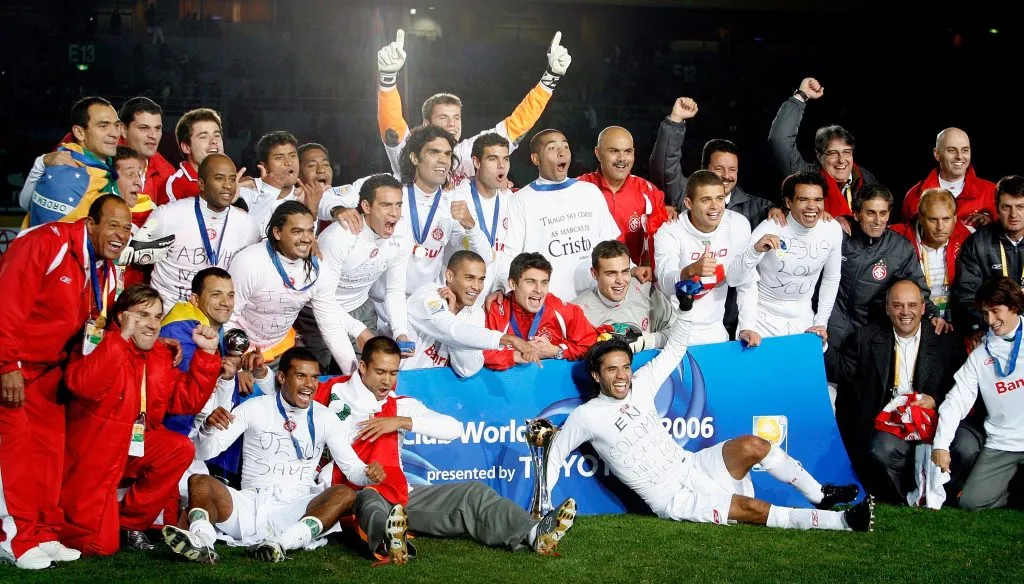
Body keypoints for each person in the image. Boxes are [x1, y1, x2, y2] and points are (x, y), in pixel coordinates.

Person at [546, 284, 874, 532]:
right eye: (611, 370)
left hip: (694, 465)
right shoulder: (587, 415)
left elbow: (676, 348)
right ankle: (843, 522)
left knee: (754, 445)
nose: (621, 376)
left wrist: (686, 309)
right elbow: (556, 455)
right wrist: (544, 505)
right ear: (595, 375)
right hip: (671, 496)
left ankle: (819, 494)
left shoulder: (640, 383)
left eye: (624, 367)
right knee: (752, 508)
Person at [315, 337, 576, 563]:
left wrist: (402, 422)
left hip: (398, 494)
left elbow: (454, 429)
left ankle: (535, 533)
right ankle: (389, 541)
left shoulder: (401, 406)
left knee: (473, 493)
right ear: (362, 367)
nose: (387, 381)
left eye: (393, 373)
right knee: (370, 498)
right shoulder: (331, 392)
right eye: (380, 372)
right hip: (347, 495)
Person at [0, 195, 129, 569]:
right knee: (15, 456)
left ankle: (42, 532)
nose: (121, 234)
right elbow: (7, 303)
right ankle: (12, 537)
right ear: (91, 223)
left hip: (50, 372)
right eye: (114, 225)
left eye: (127, 228)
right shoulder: (46, 243)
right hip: (17, 367)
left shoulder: (106, 268)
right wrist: (6, 363)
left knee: (49, 457)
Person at [161, 348, 383, 564]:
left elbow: (352, 469)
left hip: (296, 509)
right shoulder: (254, 407)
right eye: (301, 376)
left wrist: (368, 473)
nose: (309, 384)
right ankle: (201, 540)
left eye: (314, 377)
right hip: (249, 505)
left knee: (344, 493)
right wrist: (208, 428)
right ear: (282, 377)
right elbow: (205, 452)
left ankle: (282, 544)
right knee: (199, 481)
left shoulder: (326, 418)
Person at [59, 284, 222, 555]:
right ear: (121, 316)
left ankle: (129, 523)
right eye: (143, 315)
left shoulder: (158, 355)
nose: (152, 324)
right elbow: (84, 386)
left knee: (178, 448)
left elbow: (185, 401)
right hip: (92, 456)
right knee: (97, 545)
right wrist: (121, 340)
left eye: (158, 316)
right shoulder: (96, 342)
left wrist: (206, 355)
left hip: (131, 448)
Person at [827, 280, 979, 503]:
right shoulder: (865, 337)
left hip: (937, 419)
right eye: (897, 306)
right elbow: (841, 371)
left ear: (923, 308)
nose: (905, 312)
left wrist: (935, 399)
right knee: (881, 451)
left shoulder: (945, 339)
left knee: (967, 446)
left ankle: (943, 493)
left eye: (912, 305)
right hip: (890, 423)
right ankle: (903, 496)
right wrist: (823, 345)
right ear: (887, 308)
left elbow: (961, 386)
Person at [376, 29, 570, 185]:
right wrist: (387, 80)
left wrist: (550, 78)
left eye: (456, 117)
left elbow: (517, 126)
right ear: (426, 123)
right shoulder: (412, 152)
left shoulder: (469, 152)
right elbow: (392, 128)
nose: (452, 124)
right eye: (443, 117)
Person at [298, 174, 411, 373]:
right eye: (385, 205)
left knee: (369, 374)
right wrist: (357, 329)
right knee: (326, 376)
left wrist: (401, 332)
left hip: (361, 307)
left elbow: (394, 289)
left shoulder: (403, 233)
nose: (394, 213)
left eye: (398, 205)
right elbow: (322, 301)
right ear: (366, 207)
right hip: (319, 312)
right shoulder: (338, 238)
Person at [226, 202, 359, 370]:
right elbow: (226, 318)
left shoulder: (318, 270)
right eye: (297, 232)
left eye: (310, 231)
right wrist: (236, 365)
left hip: (282, 349)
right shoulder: (249, 262)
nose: (307, 238)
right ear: (277, 232)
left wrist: (353, 374)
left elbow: (330, 324)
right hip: (242, 353)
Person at [496, 129, 623, 300]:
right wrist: (500, 288)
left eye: (565, 146)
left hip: (595, 302)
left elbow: (611, 247)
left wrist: (633, 267)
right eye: (552, 148)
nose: (562, 152)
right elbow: (510, 256)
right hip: (549, 306)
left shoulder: (590, 192)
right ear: (535, 159)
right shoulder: (520, 200)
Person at [933, 276, 1024, 510]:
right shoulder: (980, 355)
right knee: (971, 503)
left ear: (1014, 306)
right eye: (985, 313)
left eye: (996, 311)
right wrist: (941, 445)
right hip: (1002, 443)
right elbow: (956, 400)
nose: (990, 320)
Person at [827, 184, 945, 353]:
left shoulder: (900, 248)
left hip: (869, 336)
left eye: (883, 213)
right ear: (856, 214)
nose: (878, 221)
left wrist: (933, 315)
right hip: (829, 330)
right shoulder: (838, 235)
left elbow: (916, 290)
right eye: (871, 213)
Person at [730, 172, 841, 340]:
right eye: (803, 200)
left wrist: (821, 322)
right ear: (789, 202)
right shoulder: (769, 228)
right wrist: (755, 250)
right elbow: (733, 279)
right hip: (762, 321)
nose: (812, 206)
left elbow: (831, 278)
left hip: (804, 320)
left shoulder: (832, 229)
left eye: (818, 200)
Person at [653, 170, 760, 346]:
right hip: (673, 329)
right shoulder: (670, 231)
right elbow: (665, 282)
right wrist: (690, 270)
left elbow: (746, 282)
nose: (715, 206)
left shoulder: (738, 225)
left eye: (720, 198)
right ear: (688, 203)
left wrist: (747, 326)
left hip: (716, 331)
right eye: (706, 200)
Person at [149, 153, 260, 314]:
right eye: (219, 178)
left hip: (216, 320)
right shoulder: (168, 215)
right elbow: (134, 258)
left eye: (232, 179)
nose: (228, 185)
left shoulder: (247, 224)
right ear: (201, 183)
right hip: (169, 319)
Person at [393, 125, 492, 300]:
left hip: (424, 303)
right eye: (434, 153)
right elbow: (330, 197)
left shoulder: (453, 202)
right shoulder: (391, 190)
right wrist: (338, 210)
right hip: (382, 302)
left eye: (447, 154)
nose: (443, 160)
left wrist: (471, 226)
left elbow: (485, 257)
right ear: (414, 158)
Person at [405, 251, 538, 376]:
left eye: (481, 280)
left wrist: (454, 316)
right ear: (449, 276)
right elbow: (447, 327)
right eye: (469, 278)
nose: (476, 286)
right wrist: (507, 339)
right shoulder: (429, 294)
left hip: (437, 390)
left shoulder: (475, 313)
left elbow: (468, 369)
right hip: (402, 381)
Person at [768, 77, 878, 228]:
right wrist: (801, 96)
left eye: (846, 152)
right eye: (833, 153)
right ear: (819, 156)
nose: (841, 160)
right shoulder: (805, 177)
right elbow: (779, 140)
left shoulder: (866, 179)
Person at [649, 97, 773, 227]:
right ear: (704, 169)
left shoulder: (758, 209)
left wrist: (777, 210)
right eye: (719, 169)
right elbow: (665, 167)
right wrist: (676, 120)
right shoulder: (684, 194)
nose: (726, 175)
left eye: (732, 169)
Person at [484, 253, 598, 370]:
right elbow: (474, 351)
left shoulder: (560, 309)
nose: (539, 290)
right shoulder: (496, 310)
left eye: (544, 282)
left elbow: (592, 345)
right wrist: (514, 356)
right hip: (505, 385)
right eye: (530, 282)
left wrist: (557, 351)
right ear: (513, 284)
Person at [578, 126, 669, 267]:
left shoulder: (648, 192)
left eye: (627, 151)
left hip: (633, 279)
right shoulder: (578, 189)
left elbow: (663, 242)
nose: (622, 159)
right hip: (587, 280)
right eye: (614, 151)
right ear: (598, 153)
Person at [23, 96, 119, 228]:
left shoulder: (105, 168)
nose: (115, 133)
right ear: (79, 133)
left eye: (117, 125)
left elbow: (25, 204)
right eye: (103, 126)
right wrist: (40, 164)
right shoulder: (66, 174)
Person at [952, 176, 1024, 346]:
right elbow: (965, 295)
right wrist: (984, 325)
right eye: (1006, 207)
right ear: (997, 210)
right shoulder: (978, 243)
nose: (1014, 214)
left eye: (1020, 207)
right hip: (992, 331)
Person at [573, 240, 677, 352]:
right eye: (611, 273)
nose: (620, 281)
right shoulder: (576, 311)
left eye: (625, 272)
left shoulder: (645, 289)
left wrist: (647, 342)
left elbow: (679, 332)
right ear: (595, 274)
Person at [448, 133, 515, 300]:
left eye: (505, 159)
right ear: (477, 162)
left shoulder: (510, 200)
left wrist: (500, 287)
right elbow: (477, 256)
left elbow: (509, 252)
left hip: (495, 298)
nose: (502, 166)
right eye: (493, 159)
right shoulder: (457, 199)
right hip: (460, 301)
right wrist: (471, 225)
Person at [891, 189, 972, 322]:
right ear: (921, 218)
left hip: (957, 320)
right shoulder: (898, 238)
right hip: (914, 320)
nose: (940, 227)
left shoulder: (968, 239)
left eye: (946, 219)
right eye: (933, 219)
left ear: (955, 218)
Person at [901, 128, 996, 227]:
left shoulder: (991, 192)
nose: (959, 156)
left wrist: (989, 225)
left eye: (965, 150)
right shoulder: (915, 195)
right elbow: (905, 238)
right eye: (951, 150)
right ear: (937, 154)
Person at [237, 131, 302, 231]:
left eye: (292, 155)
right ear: (264, 166)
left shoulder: (304, 197)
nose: (288, 162)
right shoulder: (246, 191)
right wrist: (270, 191)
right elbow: (243, 233)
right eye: (279, 157)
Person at [164, 108, 225, 204]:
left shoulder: (231, 180)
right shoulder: (176, 185)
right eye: (203, 137)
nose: (214, 141)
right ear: (186, 147)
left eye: (217, 135)